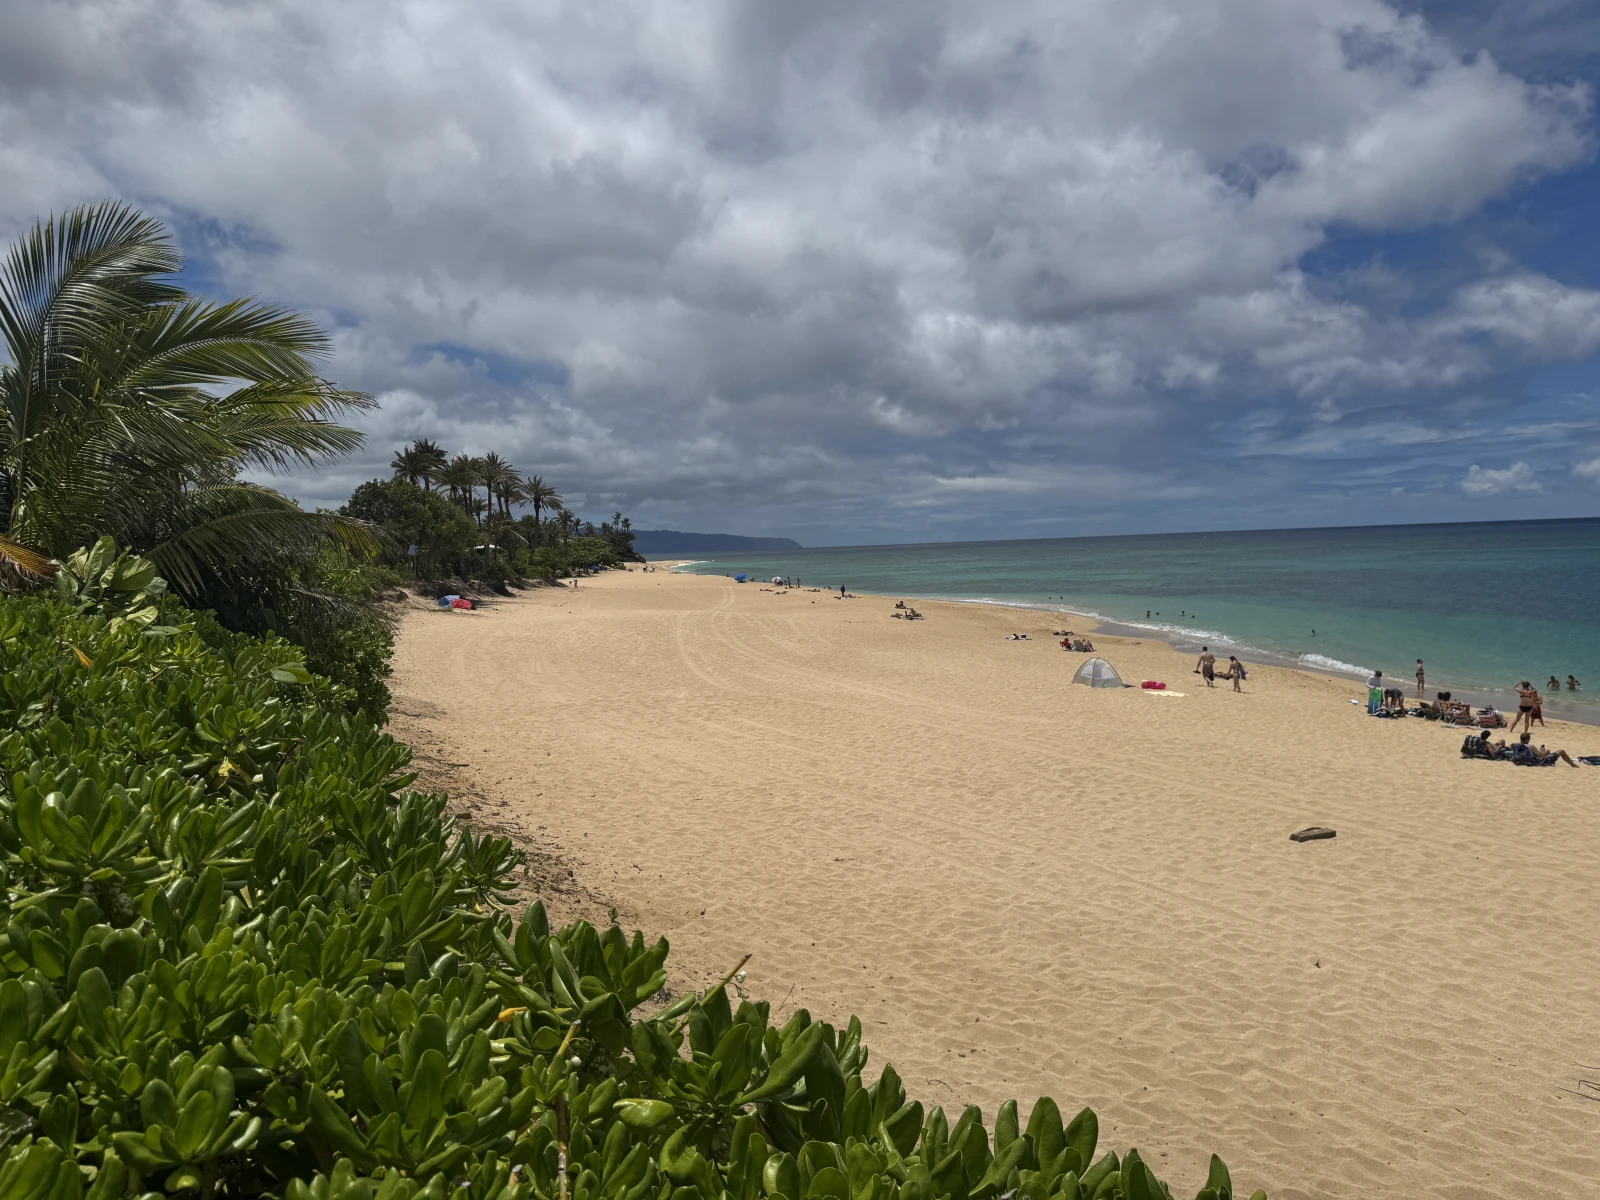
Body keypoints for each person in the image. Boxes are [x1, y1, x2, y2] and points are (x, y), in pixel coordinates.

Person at [1513, 732, 1579, 768]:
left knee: (1548, 751)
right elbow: (1543, 756)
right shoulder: (1530, 746)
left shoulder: (1516, 745)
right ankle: (1573, 765)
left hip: (1525, 760)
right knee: (1561, 751)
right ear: (1528, 739)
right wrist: (1543, 751)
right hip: (1539, 762)